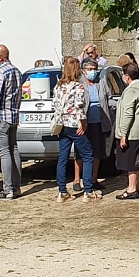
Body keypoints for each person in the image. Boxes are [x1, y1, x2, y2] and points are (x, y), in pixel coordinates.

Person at [52, 57, 101, 203]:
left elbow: (54, 106)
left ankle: (62, 191)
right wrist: (83, 123)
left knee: (63, 157)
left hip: (62, 125)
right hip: (75, 124)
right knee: (88, 155)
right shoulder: (78, 87)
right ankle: (88, 190)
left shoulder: (58, 86)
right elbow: (79, 106)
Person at [0, 45, 22, 200]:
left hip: (1, 116)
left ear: (1, 57)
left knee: (4, 152)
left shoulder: (0, 71)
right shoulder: (16, 70)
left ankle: (7, 189)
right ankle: (16, 187)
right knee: (14, 149)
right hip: (13, 115)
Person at [72, 58, 113, 193]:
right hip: (84, 123)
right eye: (89, 69)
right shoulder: (79, 84)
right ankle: (77, 180)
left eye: (94, 69)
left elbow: (109, 99)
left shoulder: (101, 82)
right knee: (80, 152)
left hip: (99, 122)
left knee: (97, 151)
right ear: (83, 71)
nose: (92, 72)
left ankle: (93, 179)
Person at [115, 62, 139, 199]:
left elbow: (128, 113)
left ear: (127, 76)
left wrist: (123, 134)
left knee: (131, 163)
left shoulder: (131, 90)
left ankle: (132, 189)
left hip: (132, 133)